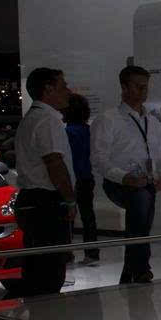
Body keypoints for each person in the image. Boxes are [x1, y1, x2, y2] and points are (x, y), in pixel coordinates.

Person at [91, 66, 161, 284]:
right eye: (138, 86)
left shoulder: (153, 122)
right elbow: (99, 159)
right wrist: (124, 177)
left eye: (145, 86)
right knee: (141, 203)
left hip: (146, 182)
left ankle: (130, 272)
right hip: (118, 182)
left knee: (142, 218)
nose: (143, 90)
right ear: (124, 87)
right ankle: (141, 268)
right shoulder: (108, 119)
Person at [8, 68, 75, 297]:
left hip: (32, 199)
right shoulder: (47, 120)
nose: (68, 91)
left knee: (37, 268)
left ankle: (36, 312)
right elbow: (54, 162)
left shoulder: (31, 119)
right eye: (63, 86)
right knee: (50, 272)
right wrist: (69, 199)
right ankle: (47, 315)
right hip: (46, 201)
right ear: (48, 90)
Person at [63, 94, 99, 265]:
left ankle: (67, 253)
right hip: (86, 176)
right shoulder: (88, 130)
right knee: (88, 216)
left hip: (72, 177)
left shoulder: (67, 132)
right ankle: (92, 253)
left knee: (68, 216)